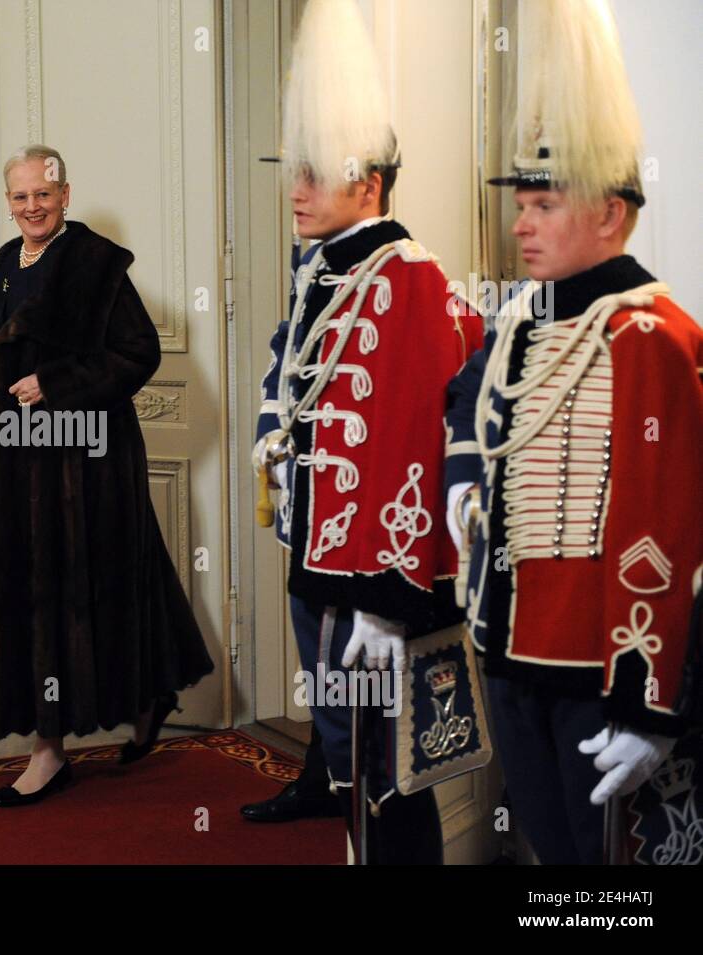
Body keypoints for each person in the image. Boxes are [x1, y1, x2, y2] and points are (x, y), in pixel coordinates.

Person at [444, 0, 703, 865]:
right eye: (521, 203)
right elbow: (467, 410)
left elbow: (677, 534)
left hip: (605, 667)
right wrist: (462, 484)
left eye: (544, 205)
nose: (520, 224)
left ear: (611, 215)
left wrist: (654, 706)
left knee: (612, 876)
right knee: (553, 860)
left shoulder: (656, 335)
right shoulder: (518, 323)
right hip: (511, 648)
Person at [247, 0, 482, 863]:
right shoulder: (327, 269)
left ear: (369, 182)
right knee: (347, 746)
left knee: (396, 761)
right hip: (315, 553)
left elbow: (424, 439)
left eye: (316, 172)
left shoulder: (410, 277)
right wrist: (273, 422)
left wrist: (390, 594)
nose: (295, 190)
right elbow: (292, 362)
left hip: (379, 575)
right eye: (294, 169)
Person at [0, 145, 215, 807]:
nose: (31, 207)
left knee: (80, 595)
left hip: (83, 466)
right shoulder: (5, 263)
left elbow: (138, 353)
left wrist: (58, 382)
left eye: (43, 194)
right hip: (14, 464)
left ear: (65, 195)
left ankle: (49, 752)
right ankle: (146, 691)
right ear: (8, 201)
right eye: (20, 197)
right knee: (39, 597)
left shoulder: (95, 264)